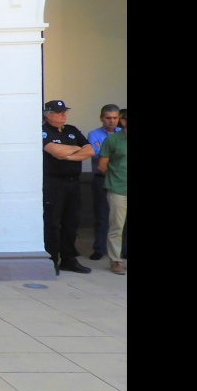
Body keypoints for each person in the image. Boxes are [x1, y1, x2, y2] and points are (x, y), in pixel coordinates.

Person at [41, 99, 95, 275]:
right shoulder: (43, 131)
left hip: (73, 182)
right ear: (48, 114)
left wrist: (68, 156)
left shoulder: (71, 130)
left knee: (71, 222)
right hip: (53, 183)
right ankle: (52, 259)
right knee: (53, 223)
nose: (63, 114)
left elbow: (90, 150)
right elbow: (54, 151)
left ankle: (69, 259)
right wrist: (75, 149)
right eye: (59, 112)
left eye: (65, 111)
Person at [87, 104, 121, 261]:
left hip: (120, 180)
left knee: (121, 216)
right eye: (108, 118)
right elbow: (95, 155)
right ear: (102, 118)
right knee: (102, 215)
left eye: (115, 118)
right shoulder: (94, 134)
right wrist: (113, 153)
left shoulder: (122, 133)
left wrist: (105, 151)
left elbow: (106, 154)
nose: (112, 121)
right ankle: (99, 249)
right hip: (101, 178)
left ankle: (122, 250)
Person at [97, 108, 128, 275]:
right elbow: (102, 165)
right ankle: (115, 260)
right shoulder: (113, 140)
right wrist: (115, 177)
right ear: (124, 121)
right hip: (118, 188)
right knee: (117, 226)